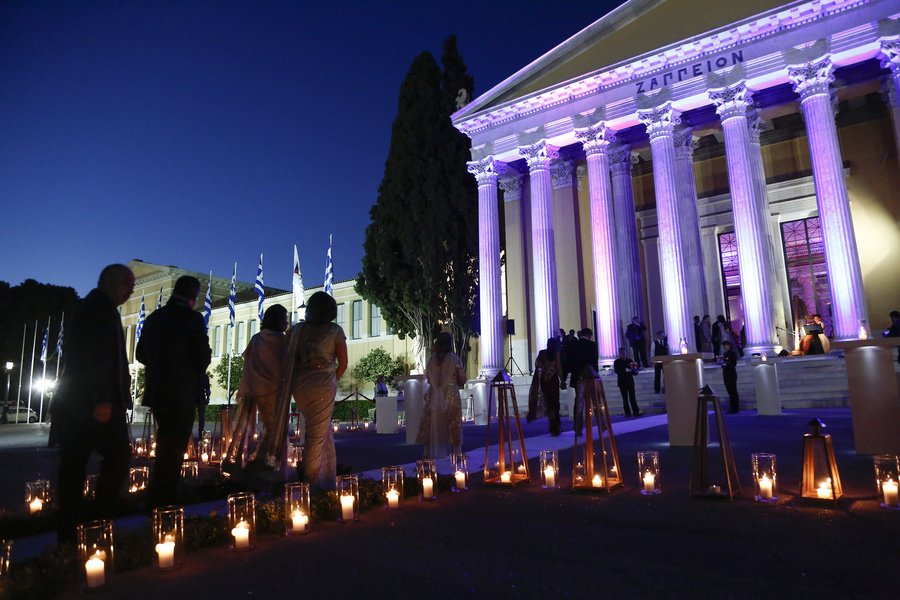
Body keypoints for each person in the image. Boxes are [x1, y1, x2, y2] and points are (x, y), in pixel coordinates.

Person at [50, 264, 134, 545]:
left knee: (74, 466)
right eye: (127, 284)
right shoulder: (100, 308)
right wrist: (102, 399)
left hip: (79, 402)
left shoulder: (94, 306)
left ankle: (70, 532)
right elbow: (95, 357)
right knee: (117, 456)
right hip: (92, 404)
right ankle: (95, 522)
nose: (131, 291)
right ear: (110, 282)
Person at [137, 275, 212, 508]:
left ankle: (160, 492)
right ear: (193, 295)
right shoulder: (192, 319)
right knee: (175, 445)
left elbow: (140, 354)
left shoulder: (154, 318)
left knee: (165, 443)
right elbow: (202, 357)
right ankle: (164, 497)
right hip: (182, 391)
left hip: (159, 390)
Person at [274, 291, 347, 490]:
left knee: (319, 430)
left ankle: (325, 475)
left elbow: (287, 357)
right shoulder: (334, 330)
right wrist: (332, 380)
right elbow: (343, 363)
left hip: (300, 385)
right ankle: (310, 482)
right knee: (316, 433)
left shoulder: (297, 330)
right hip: (323, 385)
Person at [223, 304, 289, 473]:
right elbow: (286, 364)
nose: (287, 322)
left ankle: (247, 461)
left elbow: (248, 361)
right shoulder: (283, 340)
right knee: (276, 431)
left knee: (251, 430)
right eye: (285, 319)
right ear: (279, 321)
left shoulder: (257, 338)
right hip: (274, 390)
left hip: (253, 388)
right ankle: (269, 464)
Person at [417, 332, 467, 458]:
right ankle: (457, 451)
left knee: (430, 423)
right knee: (453, 422)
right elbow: (463, 379)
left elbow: (428, 379)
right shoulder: (454, 359)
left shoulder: (431, 359)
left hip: (434, 394)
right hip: (450, 394)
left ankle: (427, 452)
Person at [528, 337, 563, 436]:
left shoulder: (542, 353)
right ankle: (556, 425)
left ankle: (552, 426)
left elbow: (537, 365)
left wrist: (545, 368)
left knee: (548, 403)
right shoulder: (556, 354)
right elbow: (559, 367)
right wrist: (562, 380)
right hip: (553, 380)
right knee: (555, 402)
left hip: (544, 381)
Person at [569, 328, 599, 436]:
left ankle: (578, 427)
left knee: (579, 402)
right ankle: (600, 424)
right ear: (590, 335)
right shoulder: (592, 345)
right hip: (589, 377)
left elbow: (570, 360)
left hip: (578, 378)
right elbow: (594, 361)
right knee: (595, 401)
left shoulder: (574, 345)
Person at [613, 347, 641, 417]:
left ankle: (636, 411)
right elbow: (617, 371)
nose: (623, 354)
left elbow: (633, 371)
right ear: (619, 354)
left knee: (632, 397)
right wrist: (625, 370)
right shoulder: (617, 362)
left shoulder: (629, 360)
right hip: (622, 382)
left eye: (624, 352)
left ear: (626, 353)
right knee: (625, 398)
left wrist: (635, 371)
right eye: (621, 353)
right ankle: (627, 413)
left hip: (630, 381)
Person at [721, 340, 739, 413]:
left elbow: (733, 364)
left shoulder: (732, 353)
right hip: (726, 374)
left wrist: (726, 364)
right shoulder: (725, 354)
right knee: (730, 391)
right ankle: (733, 408)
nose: (724, 347)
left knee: (733, 391)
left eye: (725, 345)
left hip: (731, 374)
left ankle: (735, 408)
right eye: (723, 346)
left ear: (728, 345)